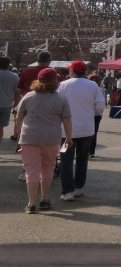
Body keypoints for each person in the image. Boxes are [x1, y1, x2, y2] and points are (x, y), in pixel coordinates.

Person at [14, 68, 73, 213]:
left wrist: (18, 131)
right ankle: (44, 199)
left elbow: (19, 116)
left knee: (31, 170)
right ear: (55, 81)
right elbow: (67, 120)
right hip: (51, 137)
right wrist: (69, 138)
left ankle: (31, 203)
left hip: (29, 137)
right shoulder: (61, 99)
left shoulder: (28, 96)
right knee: (48, 168)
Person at [56, 60, 105, 201]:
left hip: (66, 132)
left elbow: (57, 104)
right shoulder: (93, 85)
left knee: (65, 160)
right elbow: (100, 106)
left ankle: (67, 191)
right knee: (82, 159)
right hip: (87, 129)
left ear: (73, 71)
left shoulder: (63, 85)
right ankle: (78, 187)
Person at [0, 56, 18, 144]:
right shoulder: (14, 76)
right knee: (0, 127)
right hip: (6, 104)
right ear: (8, 65)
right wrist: (17, 105)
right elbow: (16, 93)